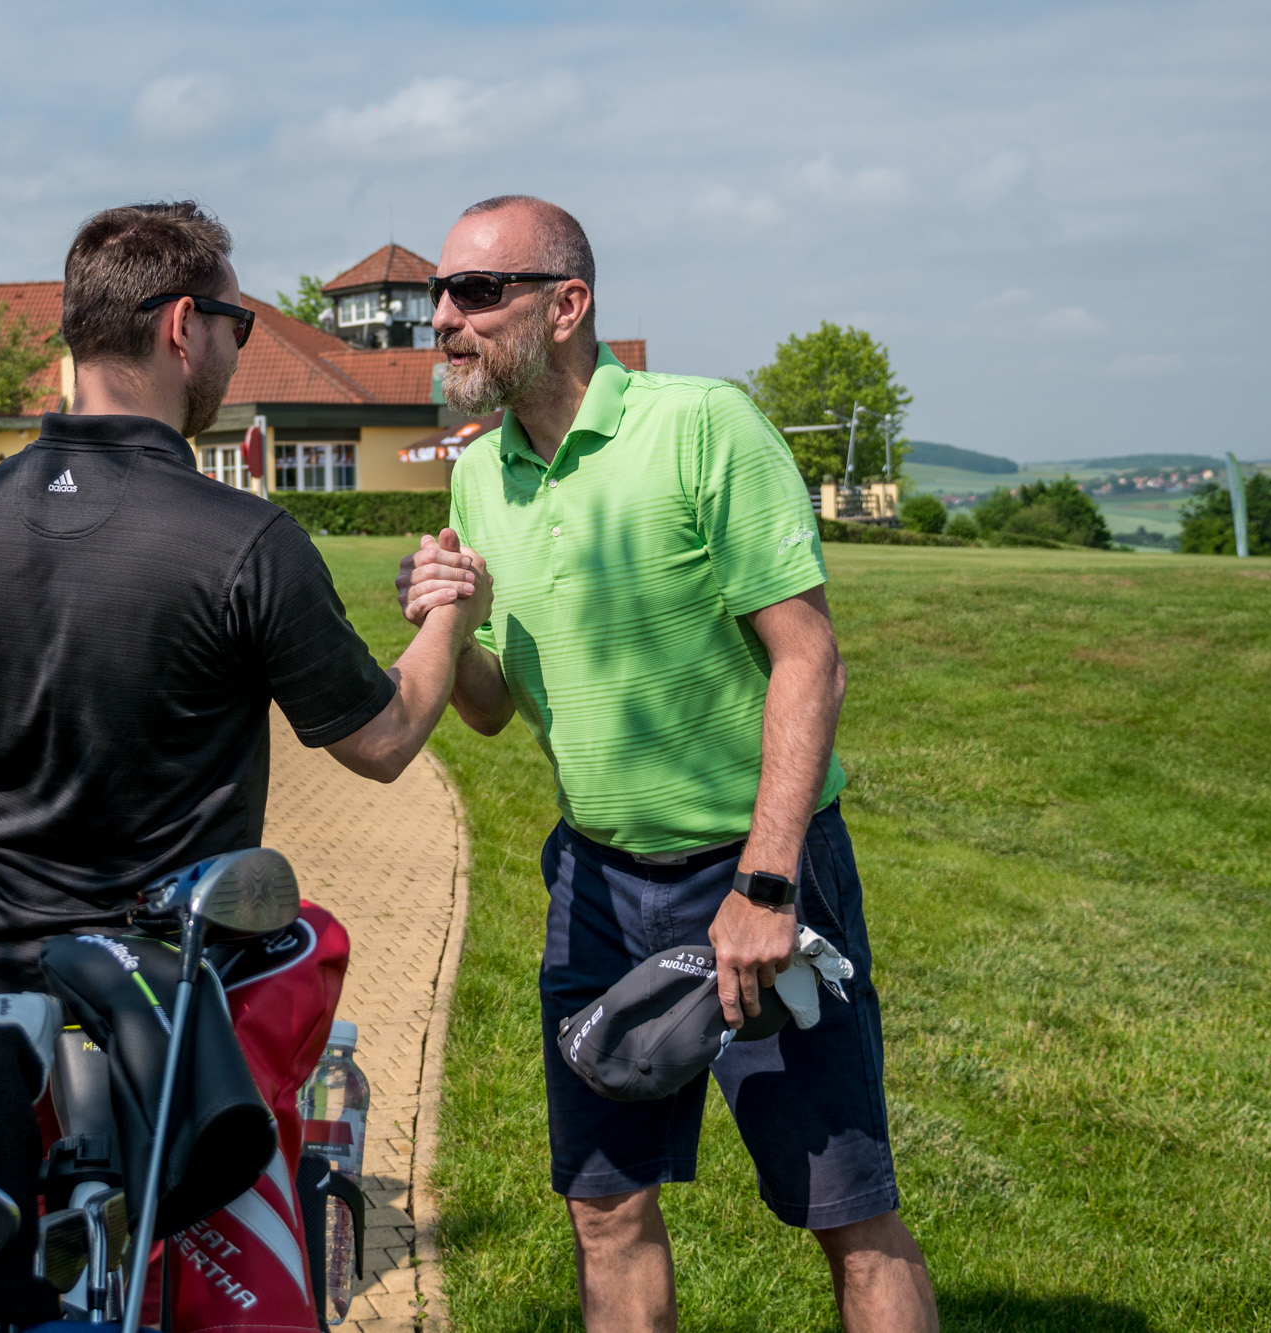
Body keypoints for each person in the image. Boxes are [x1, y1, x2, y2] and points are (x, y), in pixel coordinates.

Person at [396, 197, 938, 1333]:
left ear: (565, 305)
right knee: (604, 1207)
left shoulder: (702, 426)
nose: (443, 317)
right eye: (435, 295)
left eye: (476, 292)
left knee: (843, 1207)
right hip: (595, 888)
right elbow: (488, 711)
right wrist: (455, 620)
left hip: (754, 871)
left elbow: (809, 661)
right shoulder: (481, 475)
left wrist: (766, 885)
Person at [0, 201, 489, 1001]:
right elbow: (382, 739)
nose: (236, 353)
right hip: (169, 993)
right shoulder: (248, 541)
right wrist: (453, 609)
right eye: (236, 327)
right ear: (183, 326)